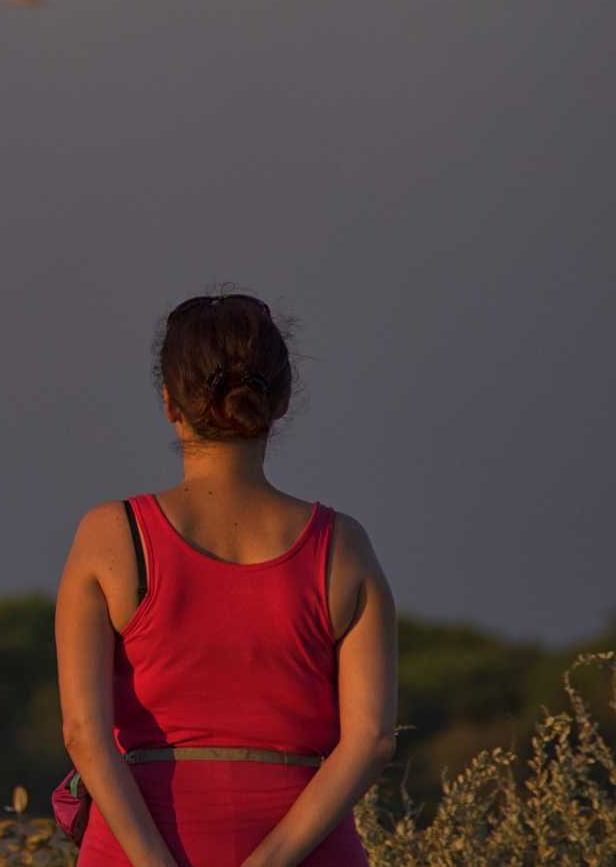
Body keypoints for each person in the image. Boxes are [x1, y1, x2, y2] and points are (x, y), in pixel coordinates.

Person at [54, 292, 398, 867]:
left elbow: (84, 733)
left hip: (138, 848)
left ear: (170, 402)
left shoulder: (111, 536)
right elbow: (372, 740)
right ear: (281, 402)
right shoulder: (343, 545)